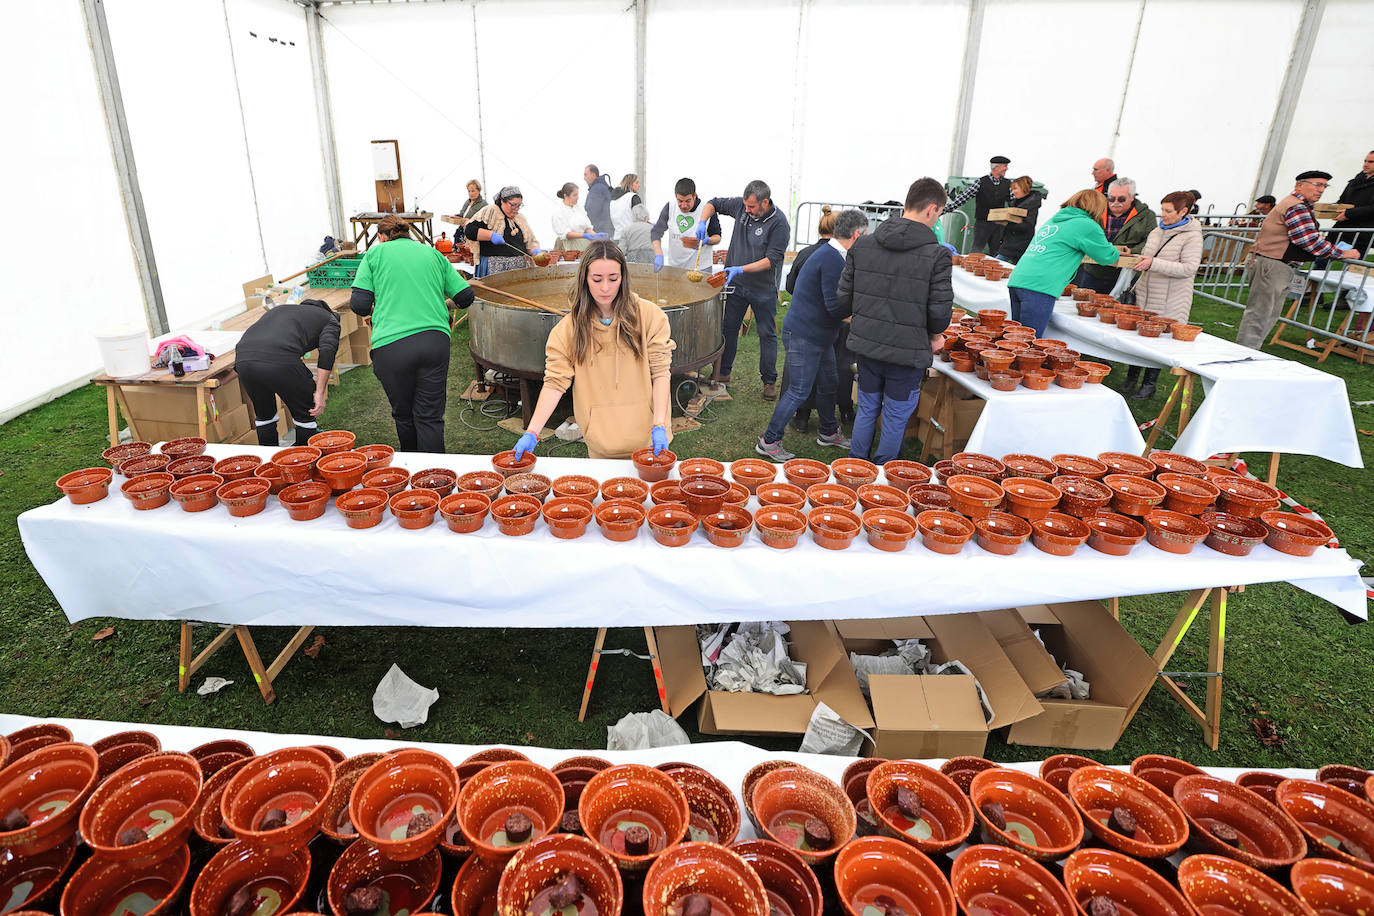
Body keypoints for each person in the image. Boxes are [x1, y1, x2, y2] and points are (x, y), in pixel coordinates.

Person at [512, 240, 675, 460]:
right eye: (597, 279)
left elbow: (660, 373)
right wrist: (532, 431)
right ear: (585, 279)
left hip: (650, 440)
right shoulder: (568, 329)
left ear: (623, 278)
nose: (605, 288)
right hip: (601, 444)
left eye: (613, 279)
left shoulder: (651, 316)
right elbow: (555, 383)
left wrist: (659, 425)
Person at [841, 178, 952, 465]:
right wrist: (936, 335)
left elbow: (844, 299)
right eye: (939, 214)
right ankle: (881, 477)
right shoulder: (936, 255)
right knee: (894, 414)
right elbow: (939, 313)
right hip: (907, 350)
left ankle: (855, 467)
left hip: (868, 343)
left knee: (867, 407)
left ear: (905, 206)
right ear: (931, 209)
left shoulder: (862, 245)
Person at [350, 215, 474, 453]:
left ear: (381, 237)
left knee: (404, 415)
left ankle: (413, 479)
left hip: (391, 346)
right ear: (409, 234)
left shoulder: (374, 255)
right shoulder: (434, 254)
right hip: (433, 342)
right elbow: (465, 297)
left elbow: (360, 304)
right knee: (429, 417)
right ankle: (436, 480)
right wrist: (442, 304)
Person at [755, 209, 869, 460]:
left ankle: (828, 431)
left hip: (819, 334)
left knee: (829, 383)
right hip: (805, 334)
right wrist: (865, 319)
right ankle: (769, 440)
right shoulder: (832, 259)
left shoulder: (831, 254)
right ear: (857, 234)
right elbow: (834, 307)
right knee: (799, 389)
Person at [1236, 171, 1362, 349]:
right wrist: (1343, 253)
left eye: (1324, 186)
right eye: (1317, 184)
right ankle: (1242, 355)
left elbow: (1307, 238)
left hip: (1276, 263)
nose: (1321, 190)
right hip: (1273, 263)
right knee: (1260, 315)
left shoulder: (1299, 204)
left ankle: (1248, 353)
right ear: (1299, 185)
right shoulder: (1297, 206)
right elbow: (1308, 241)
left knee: (1267, 314)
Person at [695, 180, 791, 399]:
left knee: (766, 334)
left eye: (752, 207)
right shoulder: (741, 206)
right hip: (736, 286)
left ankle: (769, 381)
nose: (746, 211)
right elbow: (713, 203)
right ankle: (723, 373)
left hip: (763, 288)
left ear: (764, 202)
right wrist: (703, 221)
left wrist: (741, 269)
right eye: (746, 206)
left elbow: (772, 259)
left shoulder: (779, 223)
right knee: (728, 328)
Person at [1123, 191, 1204, 399]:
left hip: (1171, 299)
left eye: (1168, 211)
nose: (1163, 215)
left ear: (1184, 211)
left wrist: (1153, 263)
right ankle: (1131, 379)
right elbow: (1148, 257)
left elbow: (1189, 268)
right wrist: (1133, 257)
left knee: (1158, 342)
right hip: (1145, 294)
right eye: (1162, 210)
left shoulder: (1192, 237)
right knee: (1140, 338)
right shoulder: (1157, 232)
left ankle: (1149, 385)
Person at [1007, 190, 1121, 336]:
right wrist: (1116, 251)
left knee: (1015, 338)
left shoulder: (1056, 219)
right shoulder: (1087, 225)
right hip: (1040, 285)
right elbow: (1106, 257)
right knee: (1029, 342)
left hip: (1019, 279)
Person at [783, 207, 855, 430]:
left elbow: (791, 286)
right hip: (833, 322)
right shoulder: (841, 257)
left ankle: (804, 417)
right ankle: (844, 410)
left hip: (812, 322)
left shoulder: (806, 253)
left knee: (815, 373)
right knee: (839, 366)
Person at [235, 299, 339, 447]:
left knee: (265, 416)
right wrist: (320, 392)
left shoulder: (281, 310)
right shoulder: (330, 319)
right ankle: (301, 459)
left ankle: (268, 462)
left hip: (243, 359)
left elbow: (263, 343)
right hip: (281, 358)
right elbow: (328, 352)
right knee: (306, 414)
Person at [1075, 177, 1156, 293]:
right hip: (1093, 272)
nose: (1115, 203)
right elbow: (1082, 233)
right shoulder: (1095, 211)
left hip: (1125, 274)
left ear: (1133, 197)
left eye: (1121, 199)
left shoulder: (1147, 216)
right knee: (1084, 306)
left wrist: (1131, 251)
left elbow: (1150, 242)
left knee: (1118, 308)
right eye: (1111, 198)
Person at [463, 186, 546, 277]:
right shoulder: (490, 211)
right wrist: (491, 235)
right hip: (494, 269)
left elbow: (529, 243)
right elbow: (469, 231)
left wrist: (535, 252)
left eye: (519, 205)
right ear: (502, 201)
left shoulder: (520, 219)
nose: (516, 208)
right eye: (513, 205)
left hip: (519, 270)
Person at [943, 156, 1012, 254]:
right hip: (982, 224)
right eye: (1005, 166)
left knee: (996, 253)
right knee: (976, 251)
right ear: (996, 167)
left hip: (999, 225)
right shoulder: (981, 182)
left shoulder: (1007, 184)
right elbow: (963, 198)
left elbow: (1014, 202)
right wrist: (944, 210)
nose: (1007, 168)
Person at [651, 177, 721, 271]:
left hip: (701, 268)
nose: (684, 205)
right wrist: (659, 254)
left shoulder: (707, 209)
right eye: (680, 201)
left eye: (688, 201)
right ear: (676, 196)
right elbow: (656, 232)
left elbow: (717, 237)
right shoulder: (670, 207)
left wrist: (706, 240)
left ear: (694, 196)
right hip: (675, 267)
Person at [1329, 151, 1374, 256]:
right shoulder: (1354, 182)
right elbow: (1342, 201)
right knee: (1322, 261)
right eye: (1365, 161)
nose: (1366, 164)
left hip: (1362, 234)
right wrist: (1331, 210)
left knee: (1352, 267)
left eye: (1371, 162)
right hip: (1340, 230)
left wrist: (1349, 213)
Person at [995, 176, 1043, 263]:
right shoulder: (1015, 203)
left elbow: (1028, 226)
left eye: (1015, 189)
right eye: (1012, 189)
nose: (1013, 192)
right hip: (1008, 245)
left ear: (1023, 188)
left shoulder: (1031, 206)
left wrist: (1007, 224)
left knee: (994, 266)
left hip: (1018, 247)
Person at [552, 182, 602, 253]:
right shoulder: (559, 212)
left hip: (583, 246)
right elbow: (566, 234)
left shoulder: (579, 208)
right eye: (574, 195)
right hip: (567, 247)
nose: (577, 197)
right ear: (566, 196)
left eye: (577, 194)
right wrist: (584, 235)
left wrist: (597, 237)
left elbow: (587, 228)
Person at [610, 174, 643, 243]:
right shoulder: (633, 197)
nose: (639, 185)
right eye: (637, 183)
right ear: (630, 184)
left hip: (617, 238)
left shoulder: (613, 200)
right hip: (631, 239)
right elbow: (641, 218)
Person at [584, 164, 613, 237]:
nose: (584, 178)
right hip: (608, 230)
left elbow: (592, 211)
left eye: (585, 175)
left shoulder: (597, 189)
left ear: (593, 175)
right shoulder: (603, 187)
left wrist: (585, 227)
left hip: (599, 231)